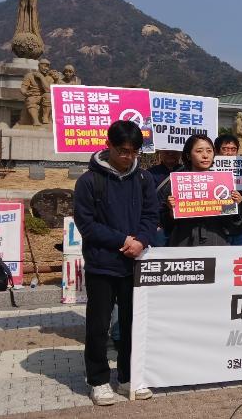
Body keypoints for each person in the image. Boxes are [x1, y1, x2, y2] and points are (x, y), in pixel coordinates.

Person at [73, 120, 158, 405]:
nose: (128, 157)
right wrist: (123, 240)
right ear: (108, 145)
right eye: (123, 151)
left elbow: (151, 215)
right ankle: (98, 380)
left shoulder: (144, 179)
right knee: (98, 326)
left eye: (134, 152)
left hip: (134, 263)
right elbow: (86, 224)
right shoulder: (88, 181)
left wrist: (141, 241)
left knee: (133, 324)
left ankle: (127, 377)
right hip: (102, 264)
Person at [160, 135, 242, 246]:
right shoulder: (176, 183)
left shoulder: (224, 181)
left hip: (217, 243)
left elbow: (236, 224)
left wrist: (237, 206)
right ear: (188, 155)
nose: (205, 155)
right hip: (184, 243)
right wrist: (171, 212)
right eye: (199, 151)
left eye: (209, 151)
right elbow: (164, 224)